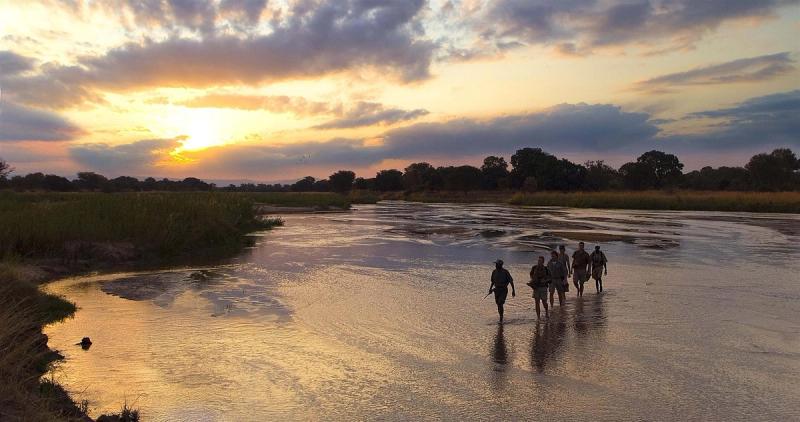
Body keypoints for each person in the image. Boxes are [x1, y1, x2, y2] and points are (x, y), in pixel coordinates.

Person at [527, 256, 550, 320]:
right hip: (536, 287)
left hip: (543, 287)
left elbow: (550, 278)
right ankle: (538, 317)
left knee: (544, 302)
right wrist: (533, 281)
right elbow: (531, 275)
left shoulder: (546, 269)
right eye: (538, 261)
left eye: (540, 261)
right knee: (537, 302)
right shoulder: (534, 268)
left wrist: (544, 280)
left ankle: (546, 311)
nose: (539, 262)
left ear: (543, 262)